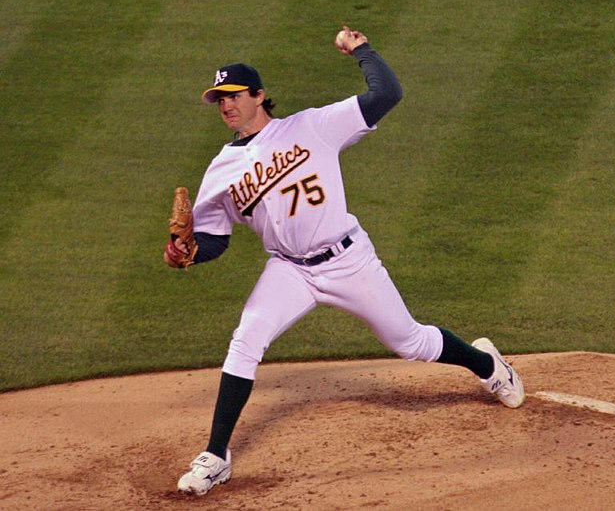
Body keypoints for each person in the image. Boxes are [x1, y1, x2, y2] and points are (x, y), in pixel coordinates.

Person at [165, 26, 525, 497]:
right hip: (289, 269)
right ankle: (216, 456)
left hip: (348, 260)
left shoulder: (312, 125)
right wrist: (191, 252)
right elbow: (216, 237)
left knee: (411, 342)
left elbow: (386, 94)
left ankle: (489, 366)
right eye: (219, 100)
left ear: (259, 95)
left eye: (233, 95)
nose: (226, 105)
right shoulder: (222, 169)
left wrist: (362, 50)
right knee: (245, 340)